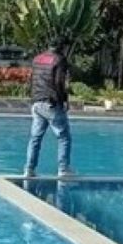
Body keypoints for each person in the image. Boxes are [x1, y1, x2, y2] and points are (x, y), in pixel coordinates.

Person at [23, 41, 72, 177]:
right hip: (51, 103)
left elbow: (31, 79)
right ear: (62, 48)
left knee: (35, 138)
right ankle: (63, 169)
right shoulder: (59, 59)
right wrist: (64, 100)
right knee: (64, 137)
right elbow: (59, 82)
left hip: (37, 103)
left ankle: (29, 169)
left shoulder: (37, 59)